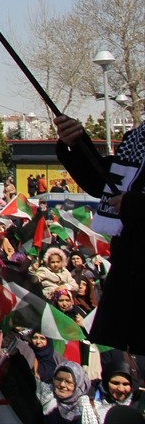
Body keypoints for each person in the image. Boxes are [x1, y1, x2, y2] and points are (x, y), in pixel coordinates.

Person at [53, 115, 144, 353]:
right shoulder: (137, 139)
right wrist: (76, 141)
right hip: (131, 268)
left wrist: (135, 204)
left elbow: (130, 199)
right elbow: (106, 182)